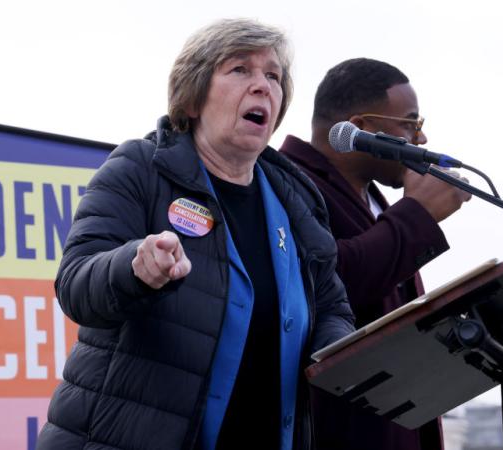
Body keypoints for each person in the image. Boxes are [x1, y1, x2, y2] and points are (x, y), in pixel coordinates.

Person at [36, 19, 355, 450]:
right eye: (240, 69)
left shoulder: (296, 198)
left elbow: (332, 306)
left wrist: (340, 355)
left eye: (274, 75)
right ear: (192, 98)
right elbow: (76, 284)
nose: (263, 85)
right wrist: (135, 268)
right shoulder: (140, 168)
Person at [279, 58, 472, 450]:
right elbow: (329, 280)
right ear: (359, 129)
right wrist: (418, 217)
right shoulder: (284, 183)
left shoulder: (380, 203)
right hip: (335, 429)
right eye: (410, 124)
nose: (421, 139)